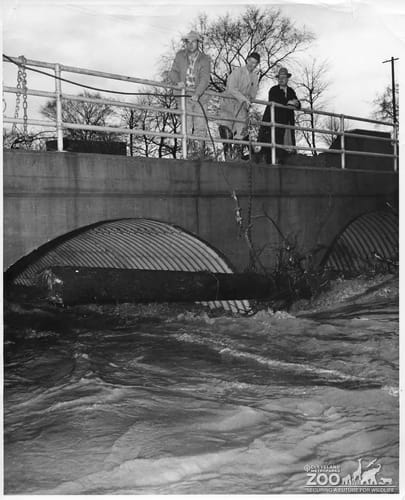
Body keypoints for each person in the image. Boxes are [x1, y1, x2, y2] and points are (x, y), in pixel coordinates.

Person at [169, 30, 211, 158]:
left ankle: (199, 153)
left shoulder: (205, 59)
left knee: (200, 124)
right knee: (186, 124)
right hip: (183, 94)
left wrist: (197, 93)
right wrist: (178, 82)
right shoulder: (180, 55)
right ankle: (185, 154)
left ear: (198, 43)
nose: (191, 44)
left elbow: (205, 79)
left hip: (200, 96)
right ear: (186, 43)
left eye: (194, 41)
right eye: (189, 42)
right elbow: (173, 72)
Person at [218, 52, 260, 160]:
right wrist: (244, 99)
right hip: (229, 102)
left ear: (257, 64)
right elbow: (231, 88)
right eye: (250, 61)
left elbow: (253, 93)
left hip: (242, 105)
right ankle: (227, 155)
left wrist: (250, 99)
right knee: (226, 127)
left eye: (254, 63)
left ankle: (237, 156)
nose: (251, 64)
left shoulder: (255, 77)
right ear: (247, 60)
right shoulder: (237, 72)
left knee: (241, 129)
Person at [257, 67, 301, 164]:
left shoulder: (291, 91)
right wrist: (289, 102)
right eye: (279, 77)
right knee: (272, 142)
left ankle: (284, 160)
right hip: (273, 121)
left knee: (286, 145)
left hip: (287, 122)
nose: (281, 79)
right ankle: (269, 160)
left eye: (284, 77)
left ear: (287, 79)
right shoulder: (273, 90)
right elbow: (275, 100)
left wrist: (296, 103)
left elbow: (297, 104)